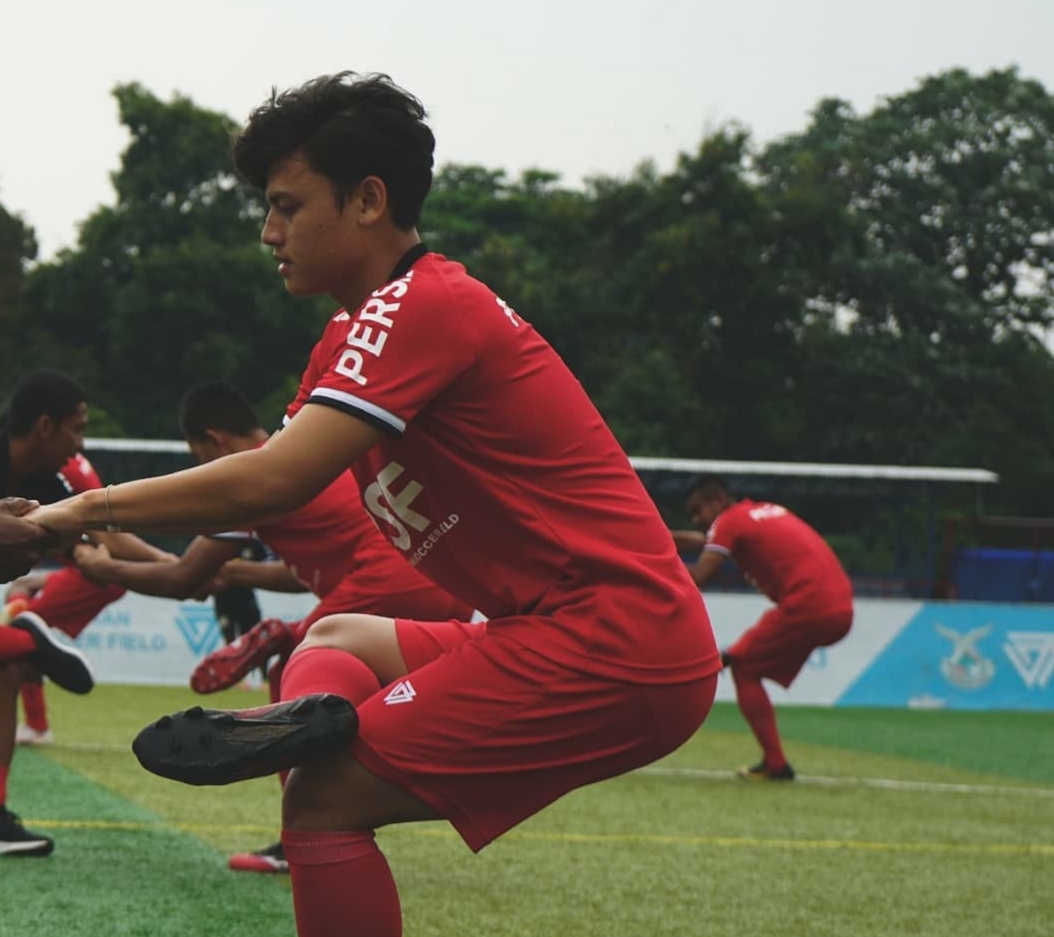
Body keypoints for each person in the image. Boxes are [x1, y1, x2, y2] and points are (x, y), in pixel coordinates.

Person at [10, 72, 719, 937]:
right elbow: (267, 473)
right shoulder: (351, 337)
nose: (269, 232)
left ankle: (315, 738)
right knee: (336, 632)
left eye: (287, 205)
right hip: (556, 626)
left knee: (322, 803)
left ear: (368, 201)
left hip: (614, 641)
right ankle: (309, 717)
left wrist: (65, 517)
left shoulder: (425, 303)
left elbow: (272, 480)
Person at [75, 378, 475, 874]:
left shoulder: (250, 477)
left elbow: (182, 577)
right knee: (410, 703)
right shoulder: (303, 458)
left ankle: (306, 828)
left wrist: (104, 569)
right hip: (438, 578)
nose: (204, 468)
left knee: (299, 684)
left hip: (380, 579)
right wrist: (233, 573)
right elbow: (302, 566)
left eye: (200, 455)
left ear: (215, 440)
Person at [0, 369, 132, 855]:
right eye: (76, 429)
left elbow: (103, 530)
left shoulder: (46, 482)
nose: (80, 444)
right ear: (44, 426)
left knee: (7, 669)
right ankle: (30, 637)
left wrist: (181, 570)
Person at [670, 473, 854, 781]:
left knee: (744, 666)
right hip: (840, 606)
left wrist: (646, 566)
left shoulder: (728, 522)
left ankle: (776, 765)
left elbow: (700, 576)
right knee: (745, 665)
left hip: (809, 605)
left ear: (718, 501)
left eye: (698, 510)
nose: (697, 519)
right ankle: (774, 761)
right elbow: (703, 539)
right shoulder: (756, 513)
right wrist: (654, 538)